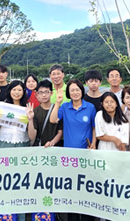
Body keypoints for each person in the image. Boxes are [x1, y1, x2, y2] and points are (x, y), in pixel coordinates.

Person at [49, 79, 96, 221]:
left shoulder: (90, 107)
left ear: (82, 91)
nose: (75, 92)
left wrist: (93, 143)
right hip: (69, 157)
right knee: (73, 191)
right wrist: (57, 102)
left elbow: (94, 127)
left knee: (87, 190)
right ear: (68, 93)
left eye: (77, 89)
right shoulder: (64, 106)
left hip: (87, 155)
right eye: (72, 90)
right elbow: (53, 120)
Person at [0, 80, 30, 148]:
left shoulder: (27, 107)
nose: (16, 92)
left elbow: (29, 128)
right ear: (10, 91)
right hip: (5, 141)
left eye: (19, 90)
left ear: (23, 92)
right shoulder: (3, 106)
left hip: (22, 142)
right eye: (14, 89)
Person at [27, 80, 62, 147]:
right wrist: (30, 120)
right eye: (41, 92)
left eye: (46, 92)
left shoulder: (58, 109)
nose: (44, 95)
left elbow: (60, 132)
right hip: (39, 148)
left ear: (51, 93)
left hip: (56, 148)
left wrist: (52, 143)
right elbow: (32, 136)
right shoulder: (34, 112)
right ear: (37, 94)